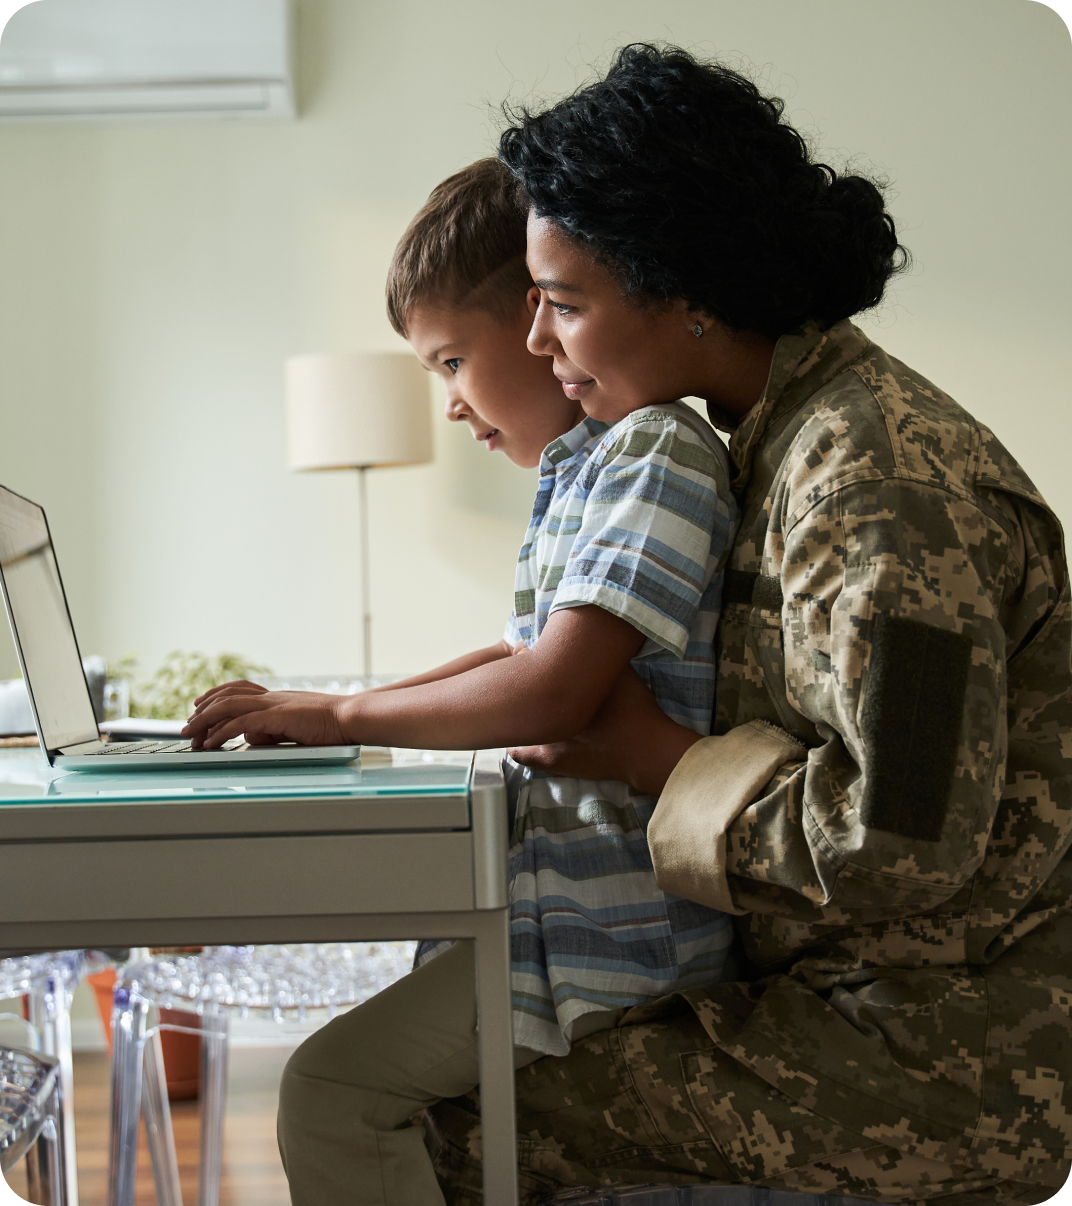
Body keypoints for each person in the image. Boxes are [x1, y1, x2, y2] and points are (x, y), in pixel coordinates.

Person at [417, 45, 1072, 1206]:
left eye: (564, 305)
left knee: (444, 1122)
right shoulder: (772, 438)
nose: (535, 345)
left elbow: (898, 843)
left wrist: (645, 756)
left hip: (952, 1047)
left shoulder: (874, 487)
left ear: (693, 292)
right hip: (853, 996)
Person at [183, 156, 741, 1204]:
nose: (449, 405)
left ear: (541, 317)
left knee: (325, 1090)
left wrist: (341, 710)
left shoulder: (657, 453)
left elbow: (551, 691)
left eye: (450, 362)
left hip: (618, 938)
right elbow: (518, 653)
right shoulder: (589, 469)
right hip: (564, 920)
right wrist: (326, 707)